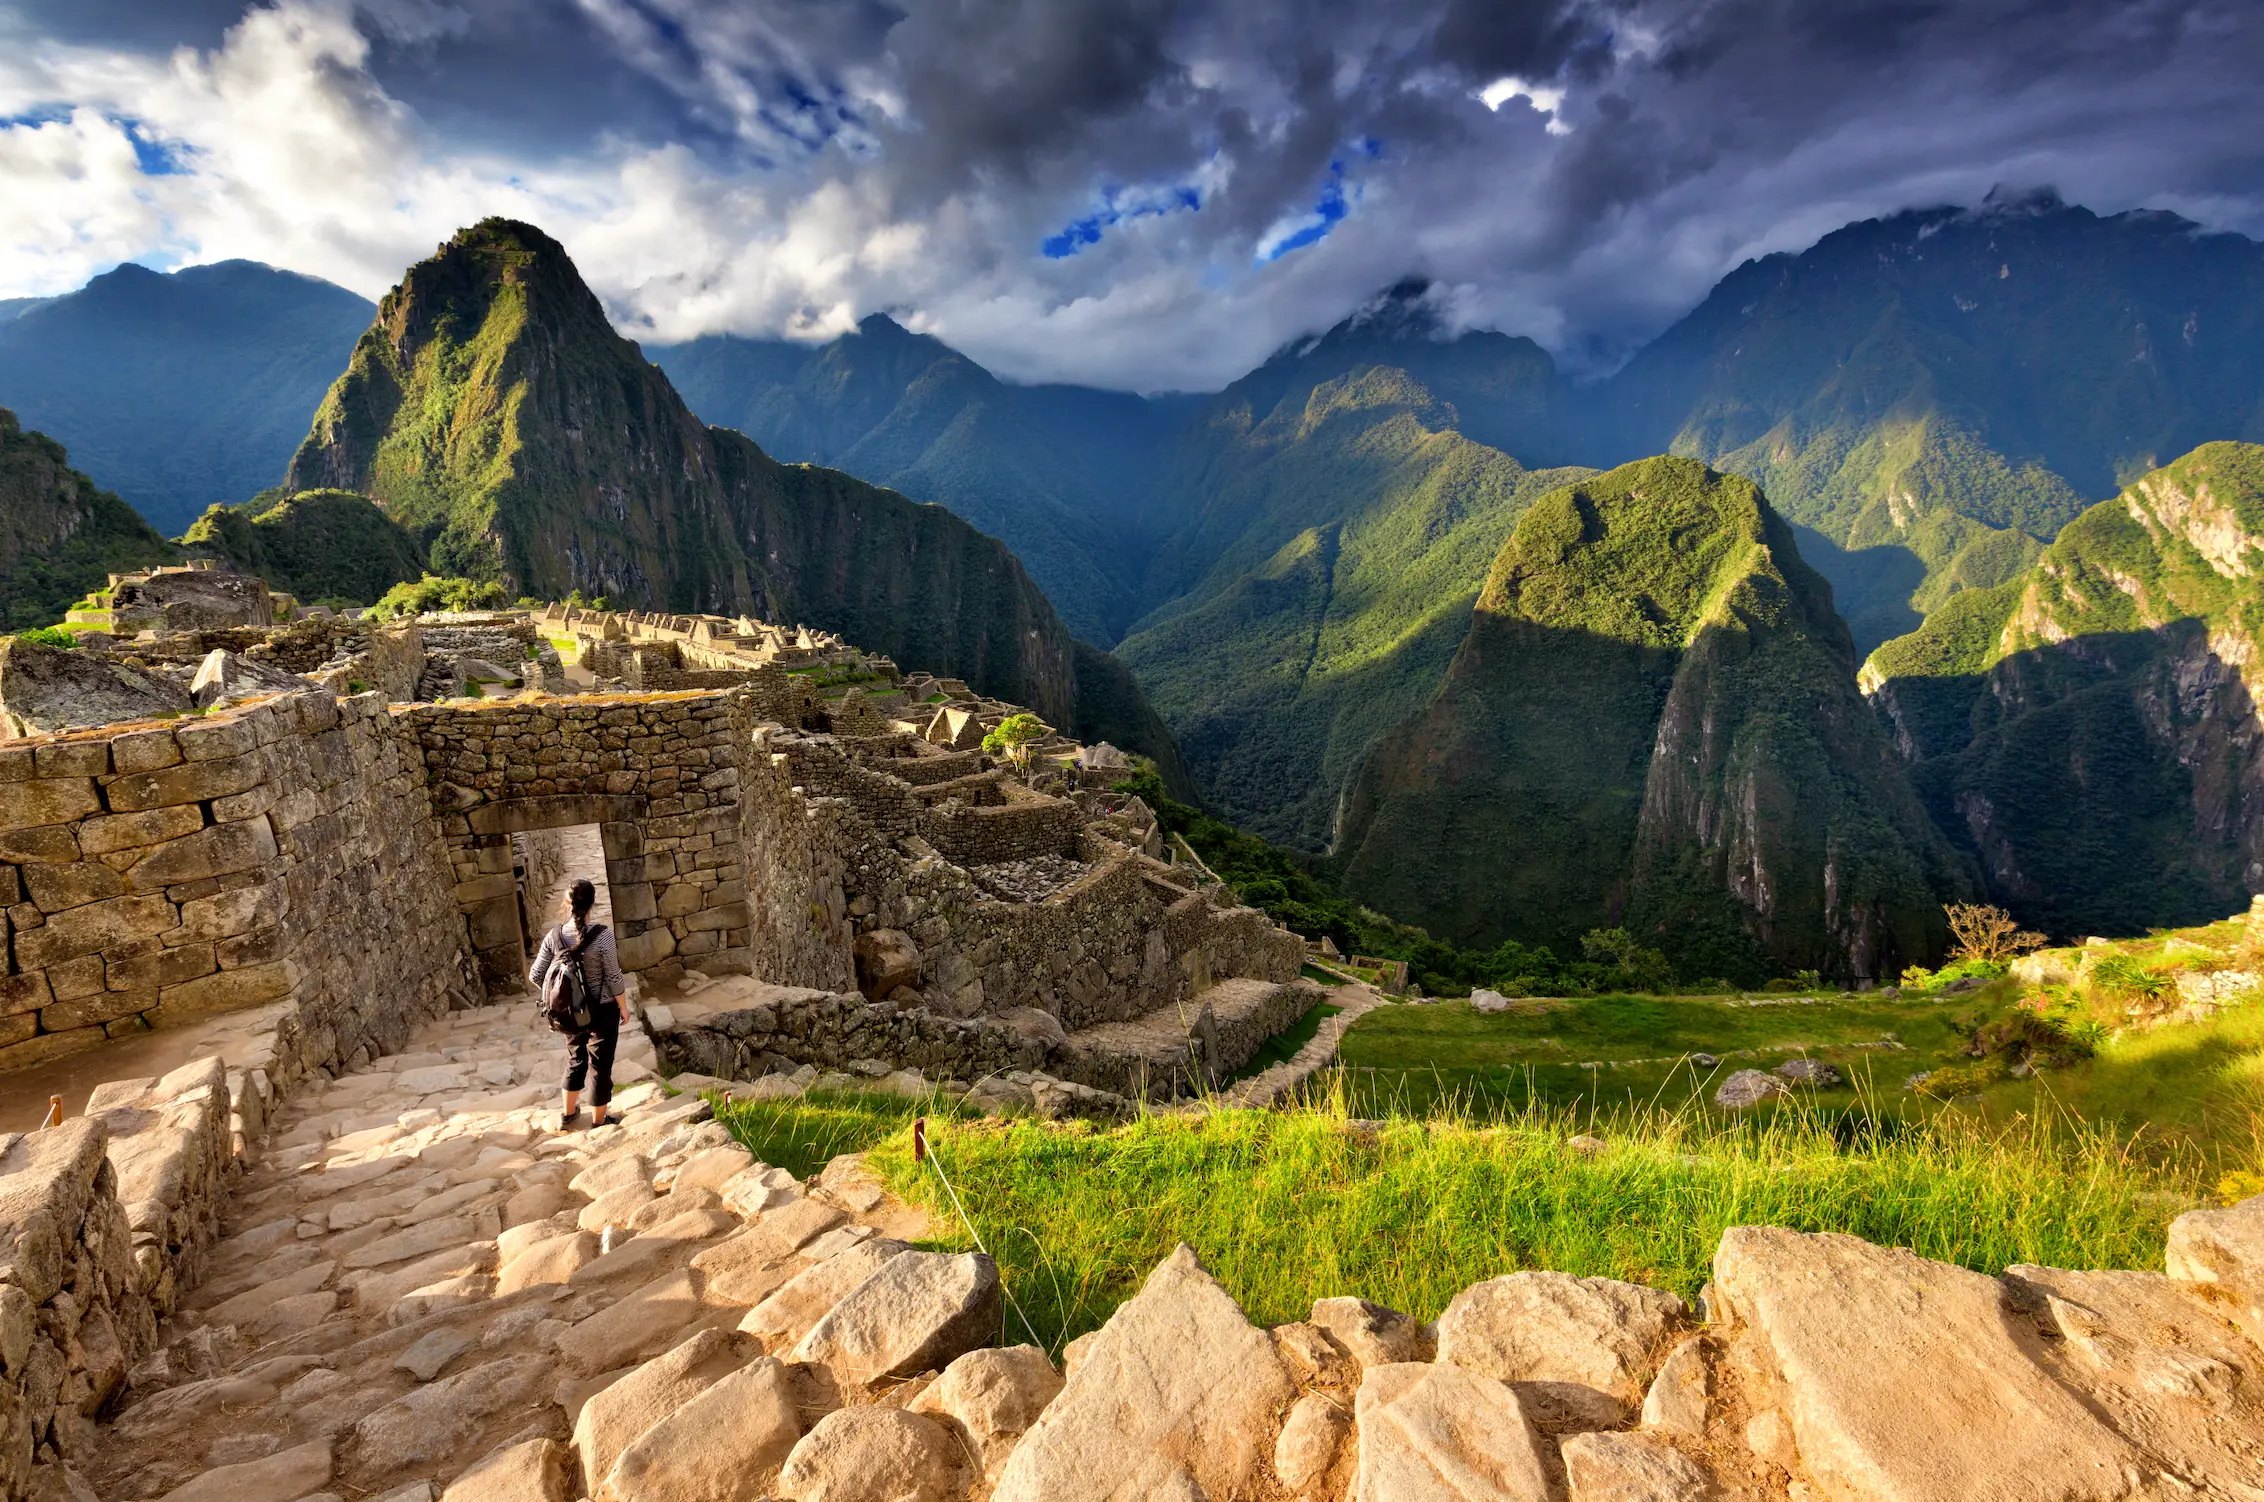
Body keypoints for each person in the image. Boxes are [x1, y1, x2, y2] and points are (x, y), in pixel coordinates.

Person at [530, 878, 628, 1130]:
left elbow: (536, 975)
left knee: (575, 1059)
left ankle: (568, 1114)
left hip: (568, 1014)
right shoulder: (603, 935)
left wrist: (557, 995)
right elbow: (614, 976)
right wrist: (624, 1007)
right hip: (603, 1009)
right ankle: (599, 1120)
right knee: (600, 1064)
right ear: (592, 903)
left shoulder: (553, 936)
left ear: (567, 903)